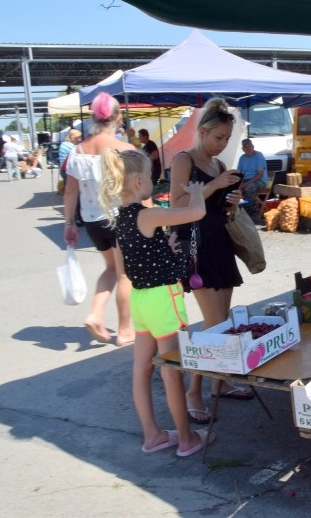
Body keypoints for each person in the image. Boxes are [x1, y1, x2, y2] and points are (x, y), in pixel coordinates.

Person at [98, 148, 215, 456]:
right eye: (150, 178)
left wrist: (165, 247)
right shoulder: (147, 214)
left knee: (141, 370)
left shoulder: (121, 220)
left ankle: (153, 435)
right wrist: (198, 193)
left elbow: (125, 268)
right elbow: (196, 213)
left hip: (139, 300)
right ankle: (187, 440)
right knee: (171, 369)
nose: (154, 182)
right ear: (137, 182)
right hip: (163, 298)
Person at [170, 98, 250, 422]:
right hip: (195, 246)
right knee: (214, 324)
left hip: (219, 243)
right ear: (202, 132)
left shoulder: (218, 166)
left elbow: (217, 209)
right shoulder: (183, 160)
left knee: (222, 320)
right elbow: (176, 203)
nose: (222, 145)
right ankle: (194, 391)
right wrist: (215, 185)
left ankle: (218, 385)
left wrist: (231, 200)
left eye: (227, 140)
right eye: (218, 138)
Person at [63, 93, 136, 346]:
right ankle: (125, 329)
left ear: (94, 117)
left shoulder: (78, 150)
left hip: (92, 220)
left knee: (111, 269)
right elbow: (139, 190)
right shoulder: (126, 150)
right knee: (125, 274)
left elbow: (70, 191)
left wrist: (69, 223)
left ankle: (95, 314)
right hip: (120, 218)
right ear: (118, 118)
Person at [236, 138, 268, 223]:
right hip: (246, 180)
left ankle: (254, 215)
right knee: (234, 190)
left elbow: (260, 174)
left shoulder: (258, 155)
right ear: (243, 149)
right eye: (245, 147)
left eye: (249, 146)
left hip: (259, 180)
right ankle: (241, 214)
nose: (248, 148)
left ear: (253, 146)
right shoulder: (242, 158)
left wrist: (245, 184)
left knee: (249, 188)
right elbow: (239, 173)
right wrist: (239, 184)